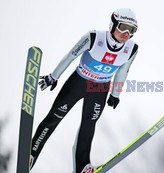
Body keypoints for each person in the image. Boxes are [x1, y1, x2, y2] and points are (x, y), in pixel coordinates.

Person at [30, 8, 139, 173]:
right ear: (113, 24)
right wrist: (54, 76)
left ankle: (82, 166)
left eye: (131, 30)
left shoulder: (131, 48)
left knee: (89, 126)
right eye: (123, 27)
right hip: (78, 83)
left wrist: (115, 94)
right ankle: (31, 153)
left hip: (100, 88)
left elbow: (123, 71)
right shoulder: (94, 37)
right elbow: (70, 56)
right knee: (55, 117)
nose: (126, 33)